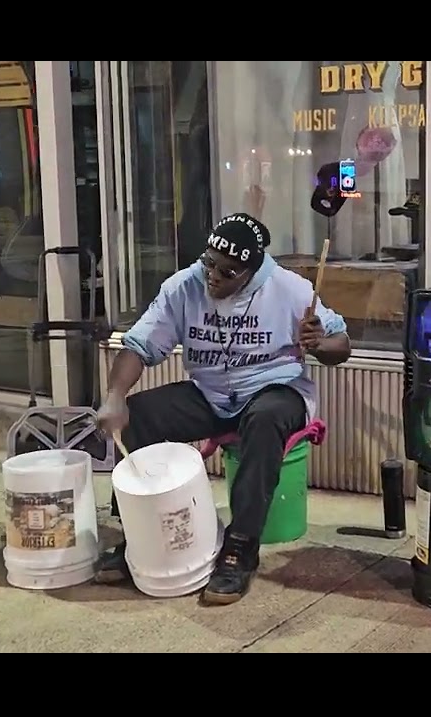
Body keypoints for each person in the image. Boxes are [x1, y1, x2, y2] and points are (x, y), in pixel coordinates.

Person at [96, 212, 351, 605]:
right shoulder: (183, 287)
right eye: (209, 263)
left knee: (264, 420)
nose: (213, 275)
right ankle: (138, 537)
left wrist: (319, 343)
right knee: (138, 413)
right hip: (211, 391)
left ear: (252, 271)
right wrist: (114, 397)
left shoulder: (290, 289)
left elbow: (342, 345)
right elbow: (140, 345)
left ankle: (241, 547)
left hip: (275, 387)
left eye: (228, 272)